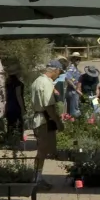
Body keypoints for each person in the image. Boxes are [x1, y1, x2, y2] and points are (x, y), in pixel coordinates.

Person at [31, 59, 64, 189]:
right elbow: (49, 106)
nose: (58, 74)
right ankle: (37, 178)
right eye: (59, 72)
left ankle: (37, 176)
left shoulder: (37, 81)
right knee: (42, 150)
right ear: (55, 70)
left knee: (43, 150)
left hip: (39, 118)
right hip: (43, 120)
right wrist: (58, 122)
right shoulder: (45, 83)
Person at [4, 69, 25, 141]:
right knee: (18, 124)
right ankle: (17, 140)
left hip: (9, 107)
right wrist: (22, 108)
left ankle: (10, 140)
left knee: (10, 124)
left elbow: (6, 97)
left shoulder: (8, 84)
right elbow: (18, 96)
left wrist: (5, 108)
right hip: (16, 107)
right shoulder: (18, 84)